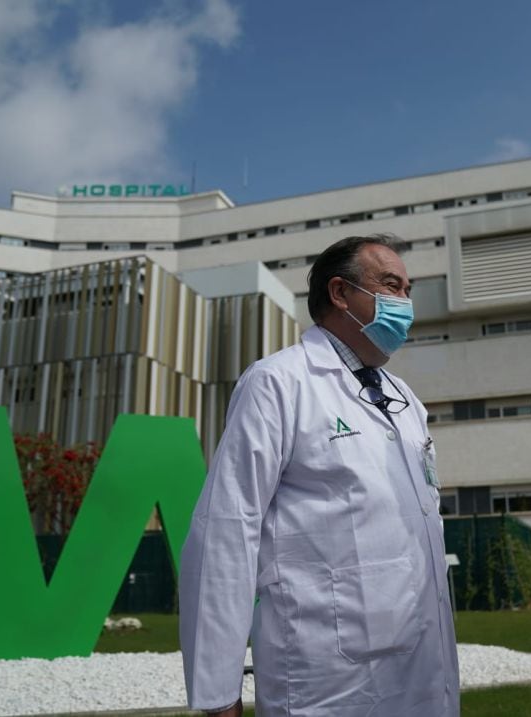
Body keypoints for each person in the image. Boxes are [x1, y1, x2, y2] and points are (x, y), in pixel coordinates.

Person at [179, 235, 459, 716]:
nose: (405, 304)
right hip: (325, 677)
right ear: (339, 293)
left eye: (407, 290)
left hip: (423, 670)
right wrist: (218, 690)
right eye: (390, 286)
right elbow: (227, 528)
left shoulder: (405, 399)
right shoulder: (278, 383)